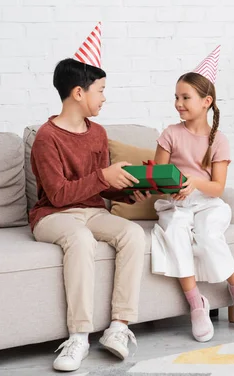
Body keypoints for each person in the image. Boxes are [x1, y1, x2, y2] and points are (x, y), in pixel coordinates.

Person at [29, 22, 150, 372]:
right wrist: (102, 177)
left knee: (132, 233)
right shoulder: (46, 137)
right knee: (81, 240)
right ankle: (79, 336)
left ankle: (119, 327)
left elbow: (100, 186)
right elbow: (59, 193)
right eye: (100, 90)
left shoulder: (98, 133)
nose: (104, 97)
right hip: (53, 216)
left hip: (93, 211)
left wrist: (126, 191)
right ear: (78, 93)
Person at [151, 46, 234, 343]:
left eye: (185, 97)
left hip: (208, 203)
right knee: (174, 232)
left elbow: (218, 187)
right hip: (177, 204)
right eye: (176, 97)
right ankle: (196, 302)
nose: (178, 103)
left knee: (209, 234)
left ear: (206, 101)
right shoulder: (170, 133)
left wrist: (195, 183)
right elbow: (159, 177)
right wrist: (172, 187)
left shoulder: (218, 140)